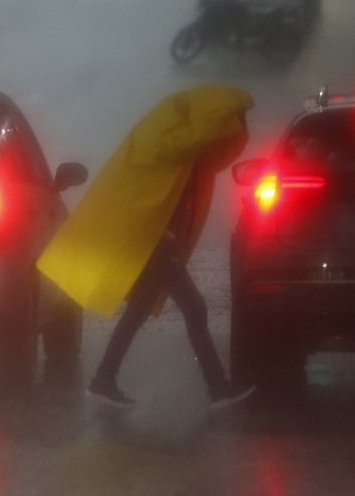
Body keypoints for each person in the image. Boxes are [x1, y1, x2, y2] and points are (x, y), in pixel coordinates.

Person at [87, 167, 254, 410]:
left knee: (137, 313)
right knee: (194, 309)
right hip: (161, 249)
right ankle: (217, 386)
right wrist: (167, 240)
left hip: (157, 246)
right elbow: (164, 202)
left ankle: (103, 379)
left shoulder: (188, 163)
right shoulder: (182, 162)